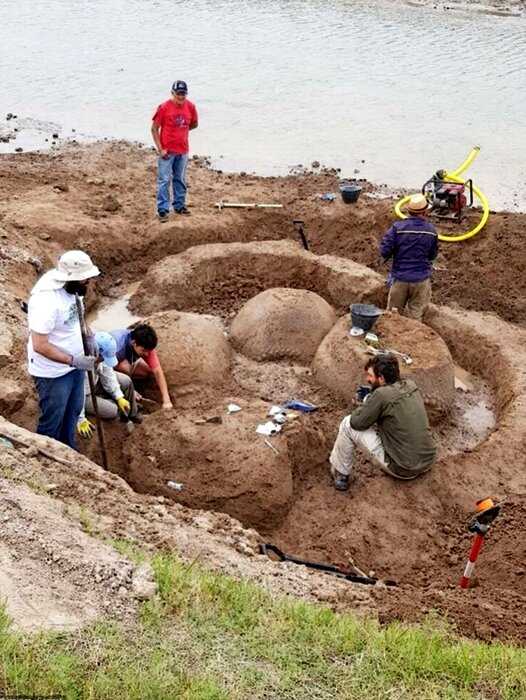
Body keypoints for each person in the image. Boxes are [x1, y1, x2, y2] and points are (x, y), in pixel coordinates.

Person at [329, 354, 436, 491]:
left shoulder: (381, 396)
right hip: (427, 460)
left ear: (381, 378)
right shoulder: (411, 385)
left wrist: (365, 404)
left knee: (347, 424)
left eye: (370, 375)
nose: (367, 379)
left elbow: (357, 423)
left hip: (403, 469)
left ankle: (340, 473)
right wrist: (372, 398)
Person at [27, 250, 99, 449]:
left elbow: (78, 316)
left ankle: (69, 450)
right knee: (53, 418)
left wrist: (89, 334)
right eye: (86, 281)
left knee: (74, 411)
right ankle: (47, 456)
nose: (89, 284)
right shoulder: (46, 302)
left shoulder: (75, 289)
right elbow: (40, 345)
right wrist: (73, 361)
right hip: (53, 373)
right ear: (73, 278)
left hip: (74, 365)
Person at [380, 193, 438, 321]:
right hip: (421, 280)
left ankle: (391, 339)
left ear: (409, 211)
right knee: (415, 316)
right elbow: (432, 255)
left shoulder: (397, 228)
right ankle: (412, 340)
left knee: (392, 316)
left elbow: (384, 251)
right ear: (425, 212)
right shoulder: (431, 231)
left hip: (400, 278)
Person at [76, 331, 141, 439]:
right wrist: (80, 418)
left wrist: (119, 397)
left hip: (96, 381)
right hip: (85, 394)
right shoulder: (81, 363)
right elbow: (77, 394)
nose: (103, 360)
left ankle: (133, 414)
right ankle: (120, 418)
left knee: (126, 381)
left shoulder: (102, 356)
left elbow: (108, 375)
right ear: (96, 352)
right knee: (112, 410)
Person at [151, 79, 198, 222]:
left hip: (182, 151)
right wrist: (160, 148)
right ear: (173, 93)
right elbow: (154, 129)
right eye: (178, 93)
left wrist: (181, 131)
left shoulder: (190, 107)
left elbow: (194, 124)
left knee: (180, 179)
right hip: (167, 151)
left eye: (183, 93)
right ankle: (163, 210)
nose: (181, 96)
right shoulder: (164, 107)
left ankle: (179, 205)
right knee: (164, 180)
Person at [110, 324, 173, 410]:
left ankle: (132, 384)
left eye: (148, 351)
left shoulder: (145, 344)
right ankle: (125, 390)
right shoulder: (117, 347)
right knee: (124, 367)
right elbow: (105, 371)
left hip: (126, 362)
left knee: (147, 371)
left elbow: (157, 371)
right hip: (108, 367)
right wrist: (130, 390)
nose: (147, 354)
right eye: (144, 351)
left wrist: (167, 400)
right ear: (134, 343)